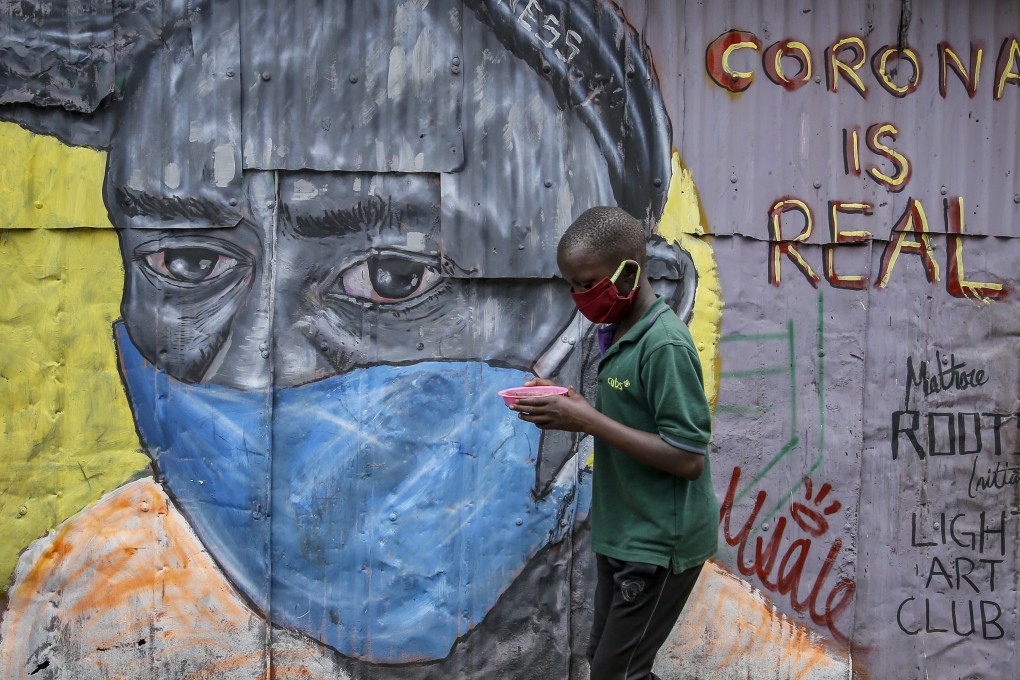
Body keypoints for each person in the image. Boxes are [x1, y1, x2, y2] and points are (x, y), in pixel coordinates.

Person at [511, 206, 717, 680]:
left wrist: (588, 420)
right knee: (615, 665)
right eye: (574, 285)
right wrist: (574, 410)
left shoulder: (663, 344)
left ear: (630, 271)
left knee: (615, 673)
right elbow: (633, 420)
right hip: (623, 532)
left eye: (589, 283)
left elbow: (687, 458)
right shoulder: (621, 331)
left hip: (657, 543)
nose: (580, 296)